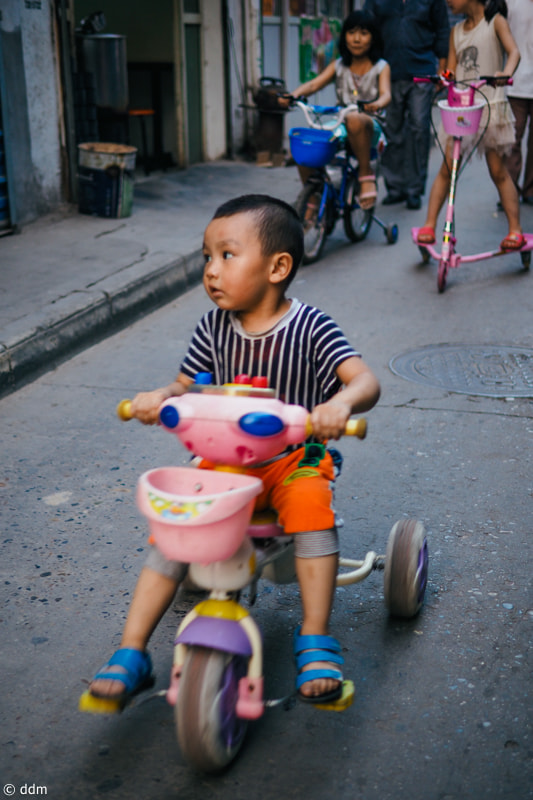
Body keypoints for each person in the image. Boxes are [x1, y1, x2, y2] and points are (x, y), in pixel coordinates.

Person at [87, 194, 381, 705]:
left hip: (295, 458)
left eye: (226, 255)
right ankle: (132, 650)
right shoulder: (212, 328)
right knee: (174, 522)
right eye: (207, 257)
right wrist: (160, 397)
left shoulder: (311, 326)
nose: (211, 270)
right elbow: (182, 386)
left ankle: (314, 634)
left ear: (277, 267)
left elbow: (365, 380)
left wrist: (340, 404)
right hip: (225, 459)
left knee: (312, 509)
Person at [417, 0, 524, 251]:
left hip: (490, 105)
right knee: (447, 168)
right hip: (461, 108)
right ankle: (429, 225)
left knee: (498, 170)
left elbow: (514, 52)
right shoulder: (456, 31)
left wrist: (504, 73)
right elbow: (452, 70)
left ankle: (515, 230)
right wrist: (445, 77)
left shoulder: (495, 21)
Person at [288, 10, 391, 210]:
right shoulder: (338, 65)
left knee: (355, 118)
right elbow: (313, 85)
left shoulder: (381, 67)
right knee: (305, 144)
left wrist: (377, 104)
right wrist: (291, 97)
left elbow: (387, 94)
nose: (357, 39)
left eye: (363, 33)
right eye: (351, 32)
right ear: (344, 36)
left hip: (371, 126)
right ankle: (314, 198)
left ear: (373, 37)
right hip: (340, 123)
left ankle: (365, 174)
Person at [363, 0, 450, 210]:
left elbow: (442, 30)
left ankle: (414, 189)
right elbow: (367, 28)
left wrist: (443, 69)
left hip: (422, 72)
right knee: (391, 130)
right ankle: (395, 187)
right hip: (388, 73)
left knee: (419, 128)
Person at [504, 0, 533, 206]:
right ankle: (509, 189)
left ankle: (530, 189)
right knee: (512, 139)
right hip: (517, 82)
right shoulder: (511, 2)